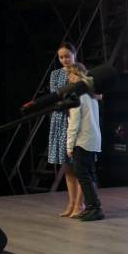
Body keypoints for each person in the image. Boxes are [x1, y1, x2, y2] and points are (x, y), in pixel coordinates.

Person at [48, 42, 84, 218]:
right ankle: (71, 203)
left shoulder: (80, 71)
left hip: (76, 118)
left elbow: (85, 93)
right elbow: (56, 95)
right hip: (60, 119)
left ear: (74, 54)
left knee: (79, 166)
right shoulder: (55, 74)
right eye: (61, 57)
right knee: (67, 166)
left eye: (67, 56)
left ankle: (80, 204)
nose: (64, 60)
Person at [65, 64, 103, 221]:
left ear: (80, 76)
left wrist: (69, 145)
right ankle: (91, 207)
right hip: (92, 140)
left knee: (83, 175)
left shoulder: (78, 96)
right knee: (89, 174)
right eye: (69, 75)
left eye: (73, 74)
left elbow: (74, 123)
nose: (70, 78)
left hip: (82, 141)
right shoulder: (91, 95)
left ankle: (94, 207)